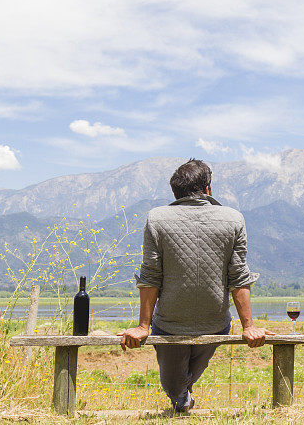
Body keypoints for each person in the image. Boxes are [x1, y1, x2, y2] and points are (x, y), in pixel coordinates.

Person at [117, 158, 272, 412]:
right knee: (177, 383)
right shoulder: (233, 219)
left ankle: (182, 397)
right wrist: (249, 326)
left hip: (171, 323)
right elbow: (239, 277)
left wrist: (144, 326)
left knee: (173, 384)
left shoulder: (157, 219)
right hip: (214, 323)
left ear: (175, 192)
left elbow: (150, 276)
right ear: (208, 189)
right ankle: (183, 398)